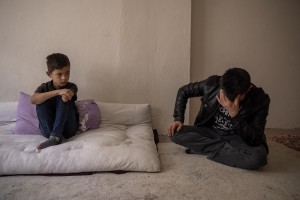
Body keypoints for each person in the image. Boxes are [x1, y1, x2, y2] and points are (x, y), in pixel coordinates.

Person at [167, 67, 270, 170]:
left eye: (235, 98)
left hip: (237, 138)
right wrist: (178, 119)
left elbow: (256, 138)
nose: (228, 100)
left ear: (247, 89)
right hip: (210, 131)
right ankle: (226, 151)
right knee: (174, 132)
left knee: (259, 158)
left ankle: (203, 148)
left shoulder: (260, 99)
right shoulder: (212, 83)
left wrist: (235, 116)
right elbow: (184, 90)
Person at [31, 53, 79, 151]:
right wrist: (57, 91)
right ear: (49, 74)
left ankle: (56, 137)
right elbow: (33, 100)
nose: (64, 77)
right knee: (40, 100)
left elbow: (66, 98)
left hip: (68, 129)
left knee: (64, 97)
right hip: (48, 130)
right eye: (59, 74)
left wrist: (62, 93)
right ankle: (56, 138)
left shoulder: (72, 86)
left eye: (67, 73)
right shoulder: (44, 87)